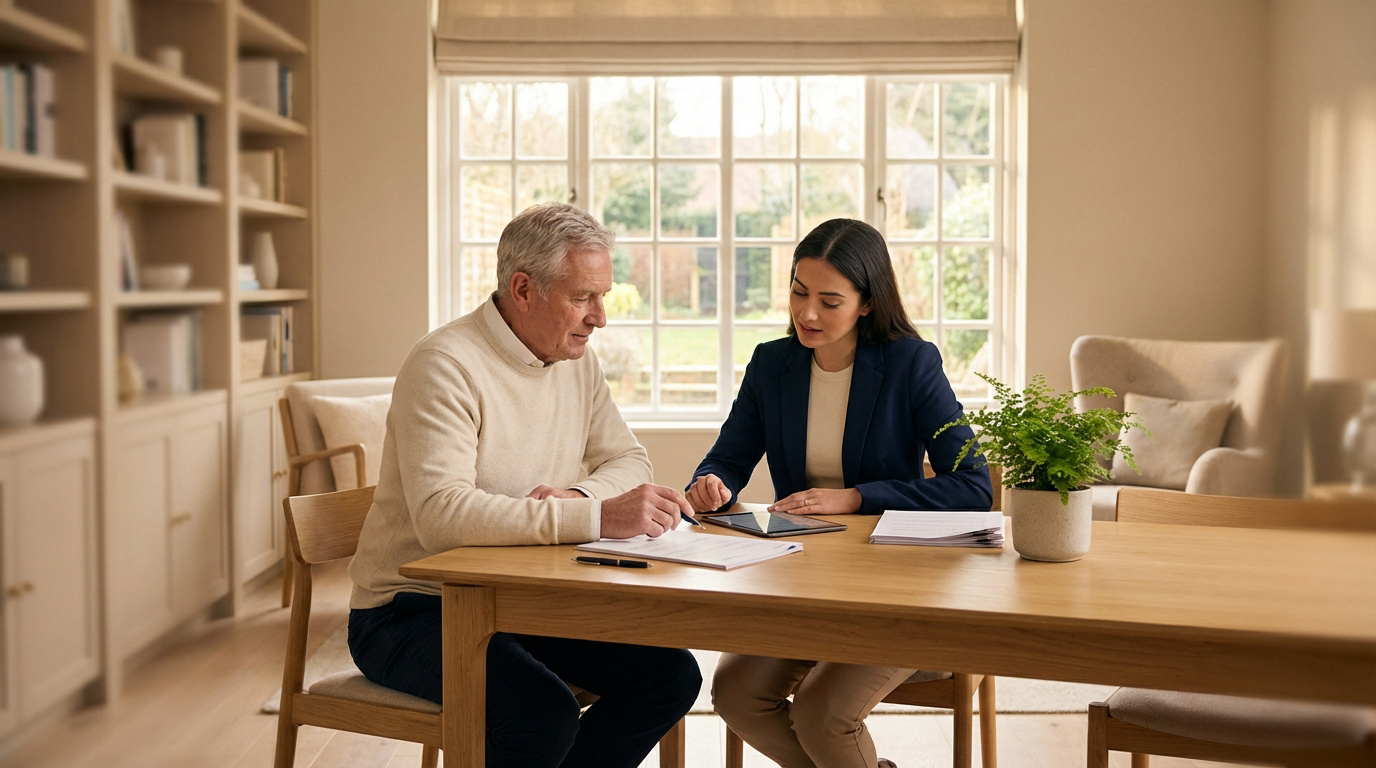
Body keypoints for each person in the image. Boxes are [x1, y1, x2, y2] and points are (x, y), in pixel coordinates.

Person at [347, 203, 701, 768]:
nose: (600, 318)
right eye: (584, 297)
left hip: (518, 602)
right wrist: (599, 517)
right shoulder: (444, 364)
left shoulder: (576, 363)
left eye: (602, 296)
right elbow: (442, 518)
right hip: (410, 611)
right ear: (523, 289)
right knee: (540, 712)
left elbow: (630, 459)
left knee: (669, 676)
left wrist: (581, 498)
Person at [686, 218, 992, 768]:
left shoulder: (910, 364)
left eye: (829, 301)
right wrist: (713, 485)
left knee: (823, 710)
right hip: (803, 582)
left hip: (900, 591)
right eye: (799, 293)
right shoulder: (772, 365)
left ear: (867, 303)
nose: (807, 314)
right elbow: (726, 460)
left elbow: (972, 485)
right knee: (735, 693)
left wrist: (855, 497)